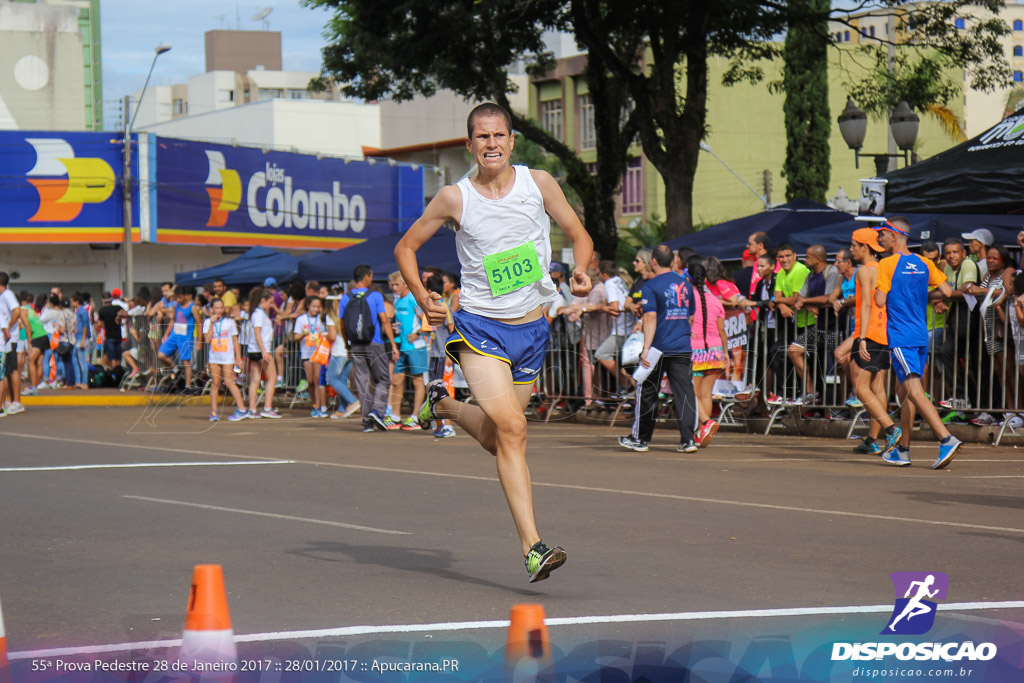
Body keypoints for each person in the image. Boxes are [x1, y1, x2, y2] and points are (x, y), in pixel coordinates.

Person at [395, 102, 593, 582]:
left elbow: (577, 233)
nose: (491, 144)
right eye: (481, 137)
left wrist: (583, 271)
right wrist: (424, 297)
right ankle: (533, 547)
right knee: (515, 430)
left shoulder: (538, 183)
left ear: (511, 141)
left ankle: (442, 406)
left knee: (498, 435)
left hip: (532, 329)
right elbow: (406, 247)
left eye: (498, 135)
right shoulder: (454, 197)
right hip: (480, 328)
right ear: (470, 145)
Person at [874, 218, 961, 469]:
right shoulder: (925, 262)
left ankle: (946, 438)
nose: (880, 238)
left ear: (895, 235)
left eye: (883, 234)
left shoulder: (887, 263)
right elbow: (945, 291)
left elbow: (880, 300)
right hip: (921, 333)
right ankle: (903, 450)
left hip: (901, 335)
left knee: (912, 389)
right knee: (906, 393)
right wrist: (919, 293)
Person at [618, 244, 699, 452]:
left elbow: (651, 316)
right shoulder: (686, 285)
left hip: (659, 347)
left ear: (653, 261)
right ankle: (688, 439)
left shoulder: (651, 286)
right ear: (672, 262)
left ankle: (641, 438)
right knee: (685, 393)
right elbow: (690, 316)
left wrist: (646, 348)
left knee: (647, 390)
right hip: (681, 345)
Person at [848, 227, 901, 456]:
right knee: (877, 386)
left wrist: (860, 338)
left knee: (860, 387)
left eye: (854, 245)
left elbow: (868, 304)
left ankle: (890, 429)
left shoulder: (863, 271)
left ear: (865, 247)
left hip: (868, 332)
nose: (851, 249)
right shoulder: (883, 268)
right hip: (883, 333)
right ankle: (871, 439)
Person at [340, 264, 398, 432]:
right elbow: (385, 320)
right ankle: (378, 411)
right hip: (375, 342)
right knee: (383, 379)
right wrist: (393, 345)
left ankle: (366, 421)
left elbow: (342, 324)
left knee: (362, 380)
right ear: (366, 277)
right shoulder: (375, 296)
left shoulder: (346, 297)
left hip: (356, 344)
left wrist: (347, 344)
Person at [938, 237, 981, 411]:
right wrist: (938, 299)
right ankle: (963, 397)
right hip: (957, 315)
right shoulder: (946, 266)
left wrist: (945, 295)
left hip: (971, 316)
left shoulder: (969, 264)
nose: (951, 256)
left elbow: (967, 290)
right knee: (947, 352)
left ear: (963, 253)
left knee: (974, 362)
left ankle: (968, 398)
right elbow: (941, 290)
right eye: (948, 253)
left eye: (955, 252)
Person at [689, 262, 729, 446]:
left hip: (696, 352)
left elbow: (688, 323)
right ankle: (702, 433)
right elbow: (722, 331)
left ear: (688, 279)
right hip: (715, 351)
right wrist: (726, 353)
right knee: (706, 394)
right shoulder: (715, 301)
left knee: (693, 394)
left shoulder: (689, 299)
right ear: (705, 279)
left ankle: (705, 424)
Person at [767, 243, 809, 405]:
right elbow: (777, 297)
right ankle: (787, 391)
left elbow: (794, 299)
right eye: (781, 257)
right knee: (777, 351)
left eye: (787, 256)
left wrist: (778, 301)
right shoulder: (781, 274)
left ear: (794, 256)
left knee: (797, 355)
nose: (784, 260)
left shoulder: (799, 270)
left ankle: (800, 392)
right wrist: (781, 304)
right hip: (794, 320)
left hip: (807, 321)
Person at [387, 271, 428, 429]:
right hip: (402, 345)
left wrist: (417, 333)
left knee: (417, 381)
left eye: (397, 284)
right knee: (397, 380)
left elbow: (427, 318)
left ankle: (415, 416)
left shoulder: (413, 298)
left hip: (416, 346)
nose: (394, 287)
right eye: (392, 285)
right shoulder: (398, 301)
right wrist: (395, 329)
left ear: (405, 284)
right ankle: (395, 416)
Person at [594, 259, 634, 393]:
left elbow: (615, 307)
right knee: (622, 360)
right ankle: (629, 385)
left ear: (604, 274)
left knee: (601, 354)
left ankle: (628, 384)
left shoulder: (610, 283)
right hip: (628, 326)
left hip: (621, 329)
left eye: (599, 273)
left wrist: (604, 308)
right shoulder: (619, 280)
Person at [245, 288, 281, 418]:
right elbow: (257, 333)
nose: (272, 305)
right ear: (263, 300)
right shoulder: (259, 314)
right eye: (270, 302)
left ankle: (253, 409)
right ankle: (267, 407)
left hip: (254, 350)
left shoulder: (258, 314)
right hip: (261, 350)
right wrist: (264, 351)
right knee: (272, 378)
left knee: (255, 379)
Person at [158, 286, 201, 393]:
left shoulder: (192, 307)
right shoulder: (176, 305)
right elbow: (173, 319)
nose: (178, 299)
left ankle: (187, 386)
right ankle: (175, 370)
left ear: (186, 296)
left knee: (186, 361)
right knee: (161, 355)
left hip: (185, 337)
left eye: (180, 297)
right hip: (174, 335)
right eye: (176, 297)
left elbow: (199, 323)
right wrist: (166, 334)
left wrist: (199, 340)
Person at [323, 295, 360, 419]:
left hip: (338, 351)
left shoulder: (330, 316)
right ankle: (341, 409)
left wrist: (323, 335)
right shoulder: (346, 315)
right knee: (342, 380)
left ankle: (352, 401)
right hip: (348, 350)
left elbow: (332, 336)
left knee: (332, 378)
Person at [294, 295, 327, 418]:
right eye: (313, 306)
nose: (316, 309)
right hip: (306, 352)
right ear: (308, 306)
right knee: (311, 381)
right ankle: (314, 404)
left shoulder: (322, 318)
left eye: (318, 307)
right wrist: (304, 334)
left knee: (318, 378)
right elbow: (295, 337)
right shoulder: (301, 319)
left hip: (318, 353)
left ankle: (319, 406)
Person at [0, 273, 24, 415]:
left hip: (11, 338)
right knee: (7, 371)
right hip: (7, 339)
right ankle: (11, 401)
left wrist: (7, 327)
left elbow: (17, 310)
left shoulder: (7, 294)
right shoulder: (3, 296)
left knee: (13, 370)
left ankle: (17, 401)